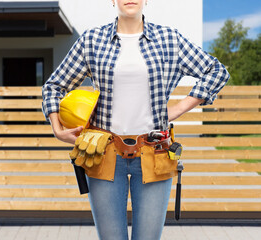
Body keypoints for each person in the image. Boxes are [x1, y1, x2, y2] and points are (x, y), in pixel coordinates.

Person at [41, 0, 230, 239]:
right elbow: (54, 86)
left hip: (155, 153)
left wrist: (179, 108)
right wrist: (58, 129)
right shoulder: (91, 41)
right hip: (104, 154)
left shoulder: (169, 39)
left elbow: (216, 71)